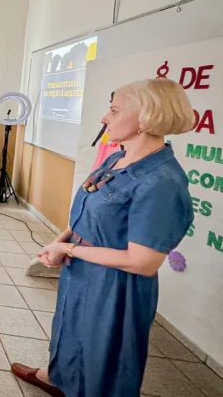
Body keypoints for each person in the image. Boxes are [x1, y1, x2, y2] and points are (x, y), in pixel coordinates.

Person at [11, 79, 195, 397]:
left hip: (115, 286)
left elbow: (143, 262)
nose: (104, 118)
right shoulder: (116, 160)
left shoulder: (161, 182)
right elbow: (87, 212)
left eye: (114, 110)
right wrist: (60, 243)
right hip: (82, 270)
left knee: (104, 356)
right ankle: (58, 379)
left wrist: (67, 247)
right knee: (69, 331)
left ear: (146, 117)